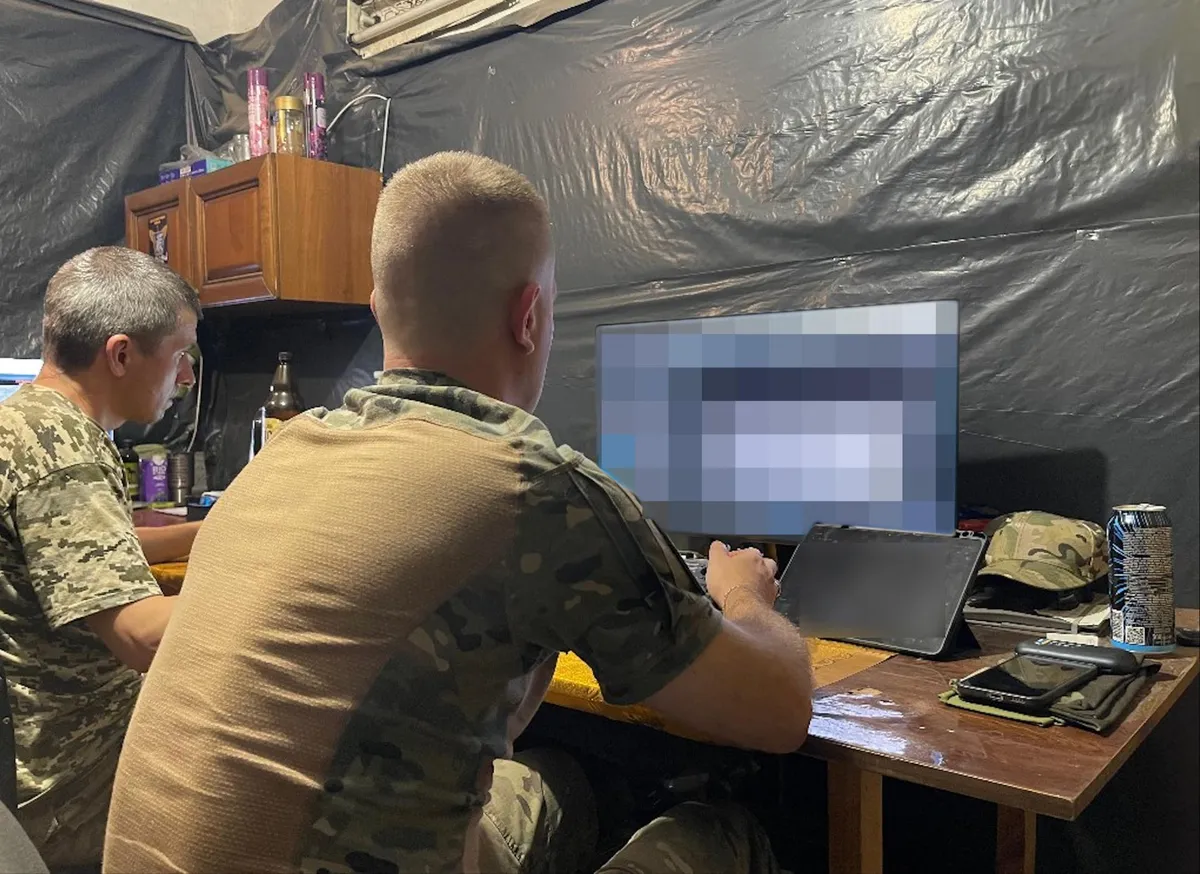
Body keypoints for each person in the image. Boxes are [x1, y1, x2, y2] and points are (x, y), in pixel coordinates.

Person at [104, 153, 813, 874]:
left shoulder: (279, 459)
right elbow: (781, 714)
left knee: (560, 784)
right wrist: (743, 596)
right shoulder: (535, 486)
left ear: (379, 310)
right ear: (529, 316)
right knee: (719, 832)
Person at [0, 246, 202, 868]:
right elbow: (141, 638)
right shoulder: (66, 455)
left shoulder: (27, 422)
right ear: (120, 354)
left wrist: (218, 531)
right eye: (181, 356)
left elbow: (91, 548)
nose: (188, 377)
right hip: (76, 783)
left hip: (44, 757)